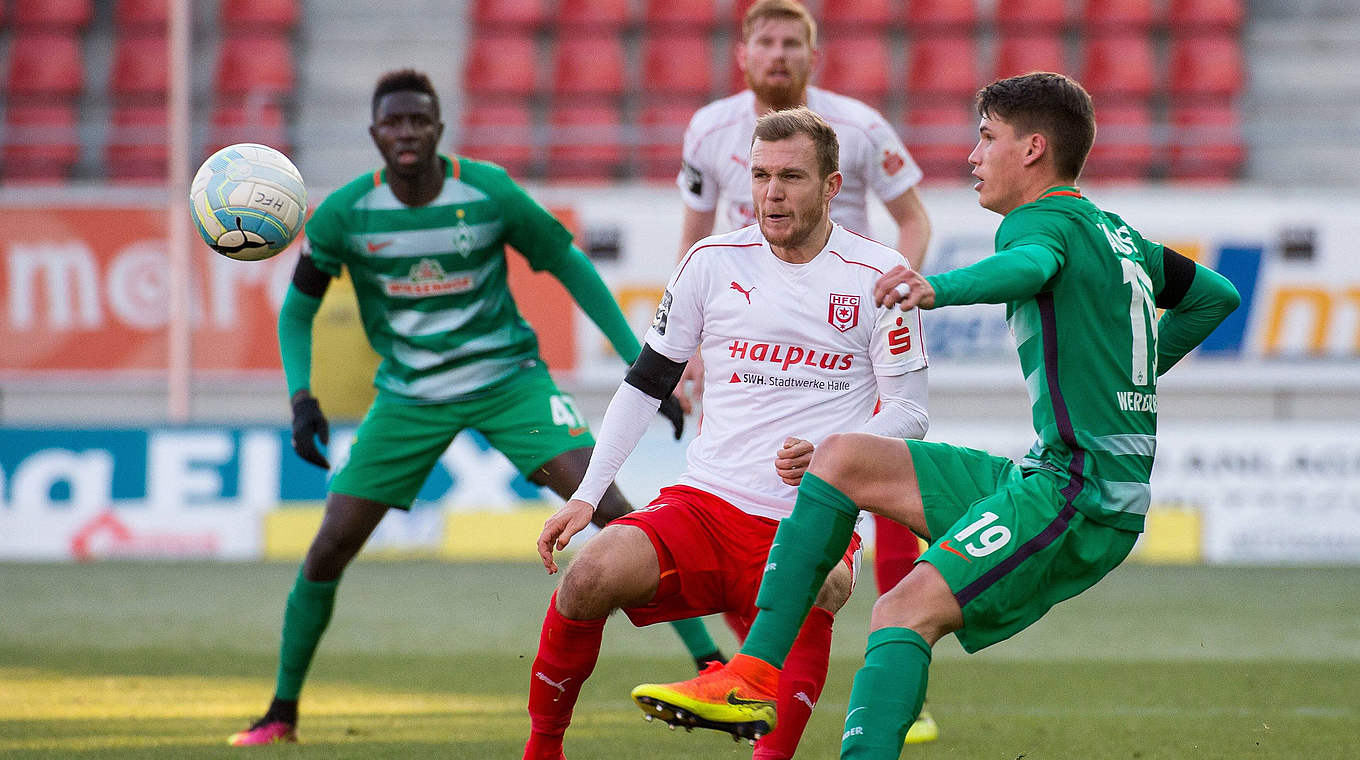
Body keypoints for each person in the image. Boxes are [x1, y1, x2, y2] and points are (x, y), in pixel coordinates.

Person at [631, 72, 1242, 758]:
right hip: (1047, 477)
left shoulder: (1038, 224)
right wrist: (1132, 374)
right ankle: (752, 673)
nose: (973, 156)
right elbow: (1214, 295)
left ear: (1033, 149)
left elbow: (1029, 267)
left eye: (987, 138)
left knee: (901, 609)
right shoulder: (1114, 231)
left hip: (1080, 498)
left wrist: (937, 288)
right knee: (842, 457)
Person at [227, 69, 718, 747]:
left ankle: (711, 663)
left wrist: (648, 369)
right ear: (375, 133)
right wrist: (301, 399)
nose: (406, 133)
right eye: (393, 122)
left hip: (507, 380)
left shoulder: (489, 193)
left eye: (418, 120)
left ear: (438, 128)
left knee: (608, 505)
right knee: (330, 546)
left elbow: (571, 267)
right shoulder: (342, 215)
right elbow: (297, 312)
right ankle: (281, 712)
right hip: (409, 395)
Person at [523, 107, 929, 760]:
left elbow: (910, 413)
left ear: (831, 187)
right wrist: (587, 495)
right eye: (762, 175)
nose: (771, 192)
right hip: (706, 506)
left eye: (791, 177)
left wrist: (835, 455)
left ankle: (761, 732)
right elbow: (646, 381)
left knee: (826, 582)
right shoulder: (710, 262)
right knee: (589, 574)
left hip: (809, 517)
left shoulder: (879, 276)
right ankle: (542, 750)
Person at [671, 0, 940, 741]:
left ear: (814, 55)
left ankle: (897, 677)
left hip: (843, 338)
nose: (780, 55)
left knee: (883, 496)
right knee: (734, 501)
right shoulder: (707, 130)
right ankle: (759, 667)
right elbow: (695, 234)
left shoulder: (856, 128)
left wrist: (891, 296)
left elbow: (913, 218)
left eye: (794, 42)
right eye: (767, 42)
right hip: (748, 341)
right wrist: (690, 340)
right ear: (744, 55)